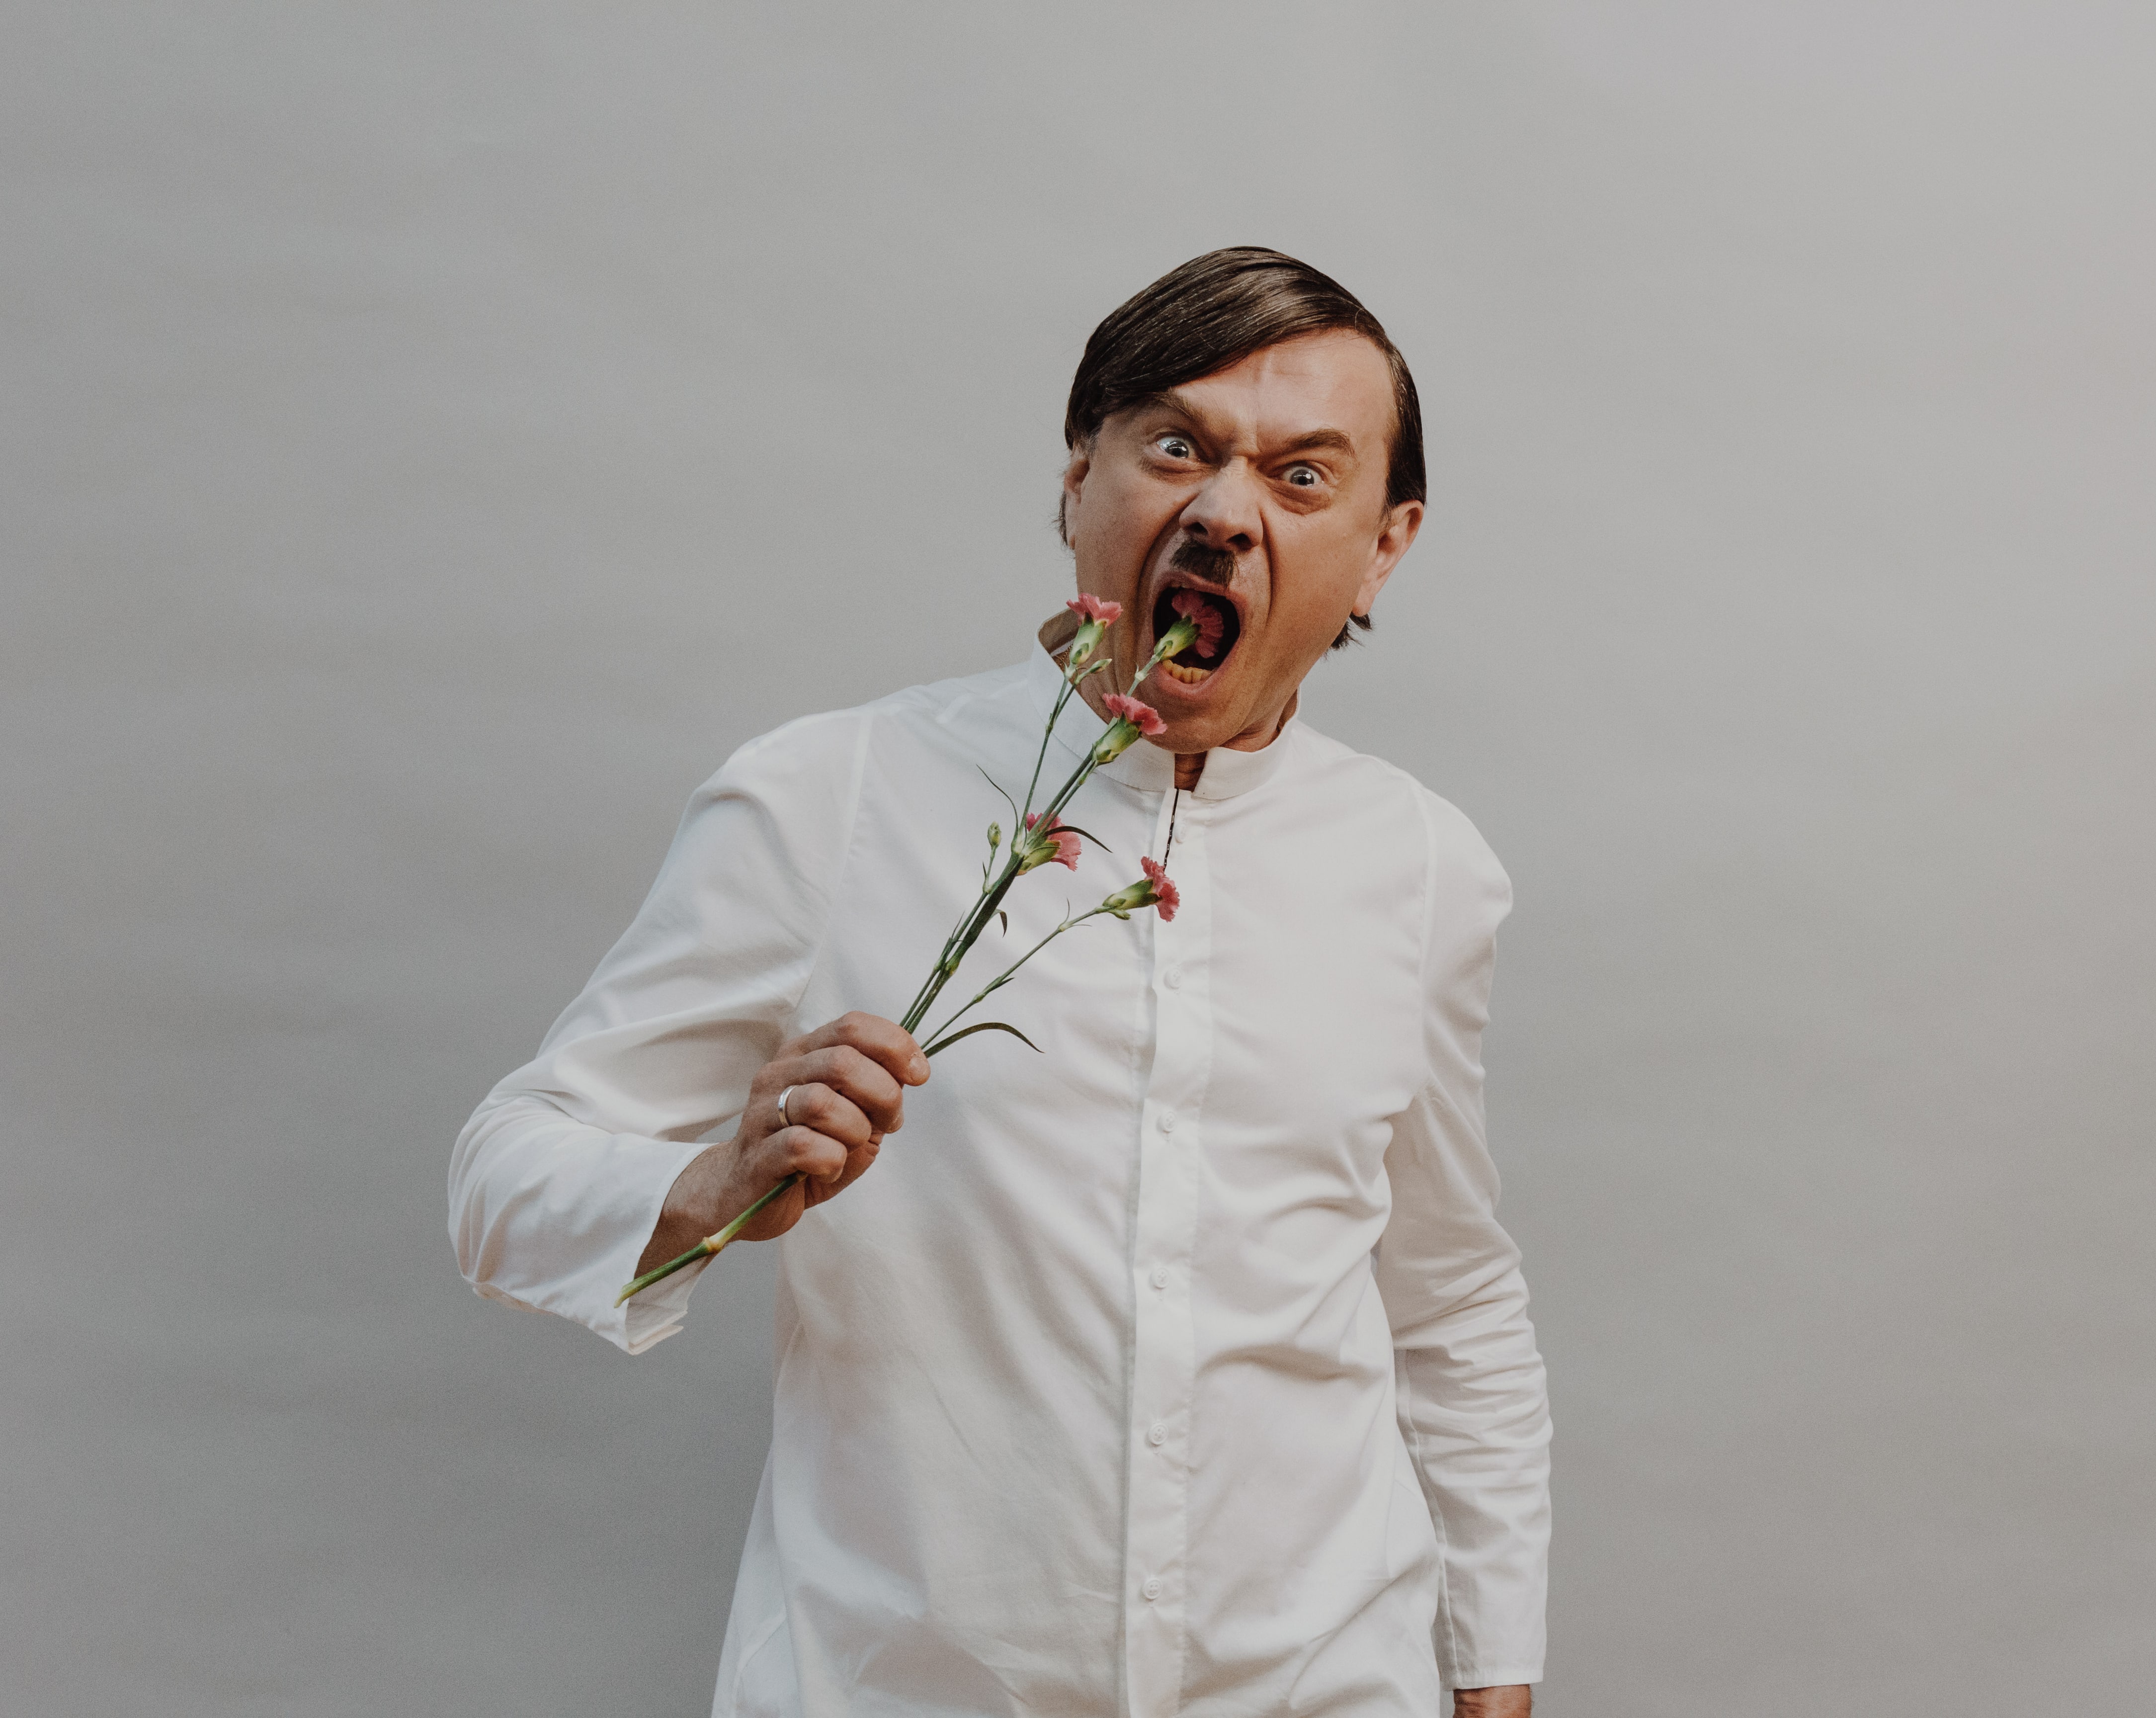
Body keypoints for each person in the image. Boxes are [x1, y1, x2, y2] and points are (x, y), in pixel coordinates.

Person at [450, 248, 1550, 1718]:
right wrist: (713, 1189)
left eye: (1302, 478)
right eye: (1177, 447)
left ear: (1385, 546)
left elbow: (1450, 1298)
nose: (1226, 513)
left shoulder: (1425, 866)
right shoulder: (829, 795)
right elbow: (499, 1182)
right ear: (1080, 473)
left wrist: (1493, 1674)